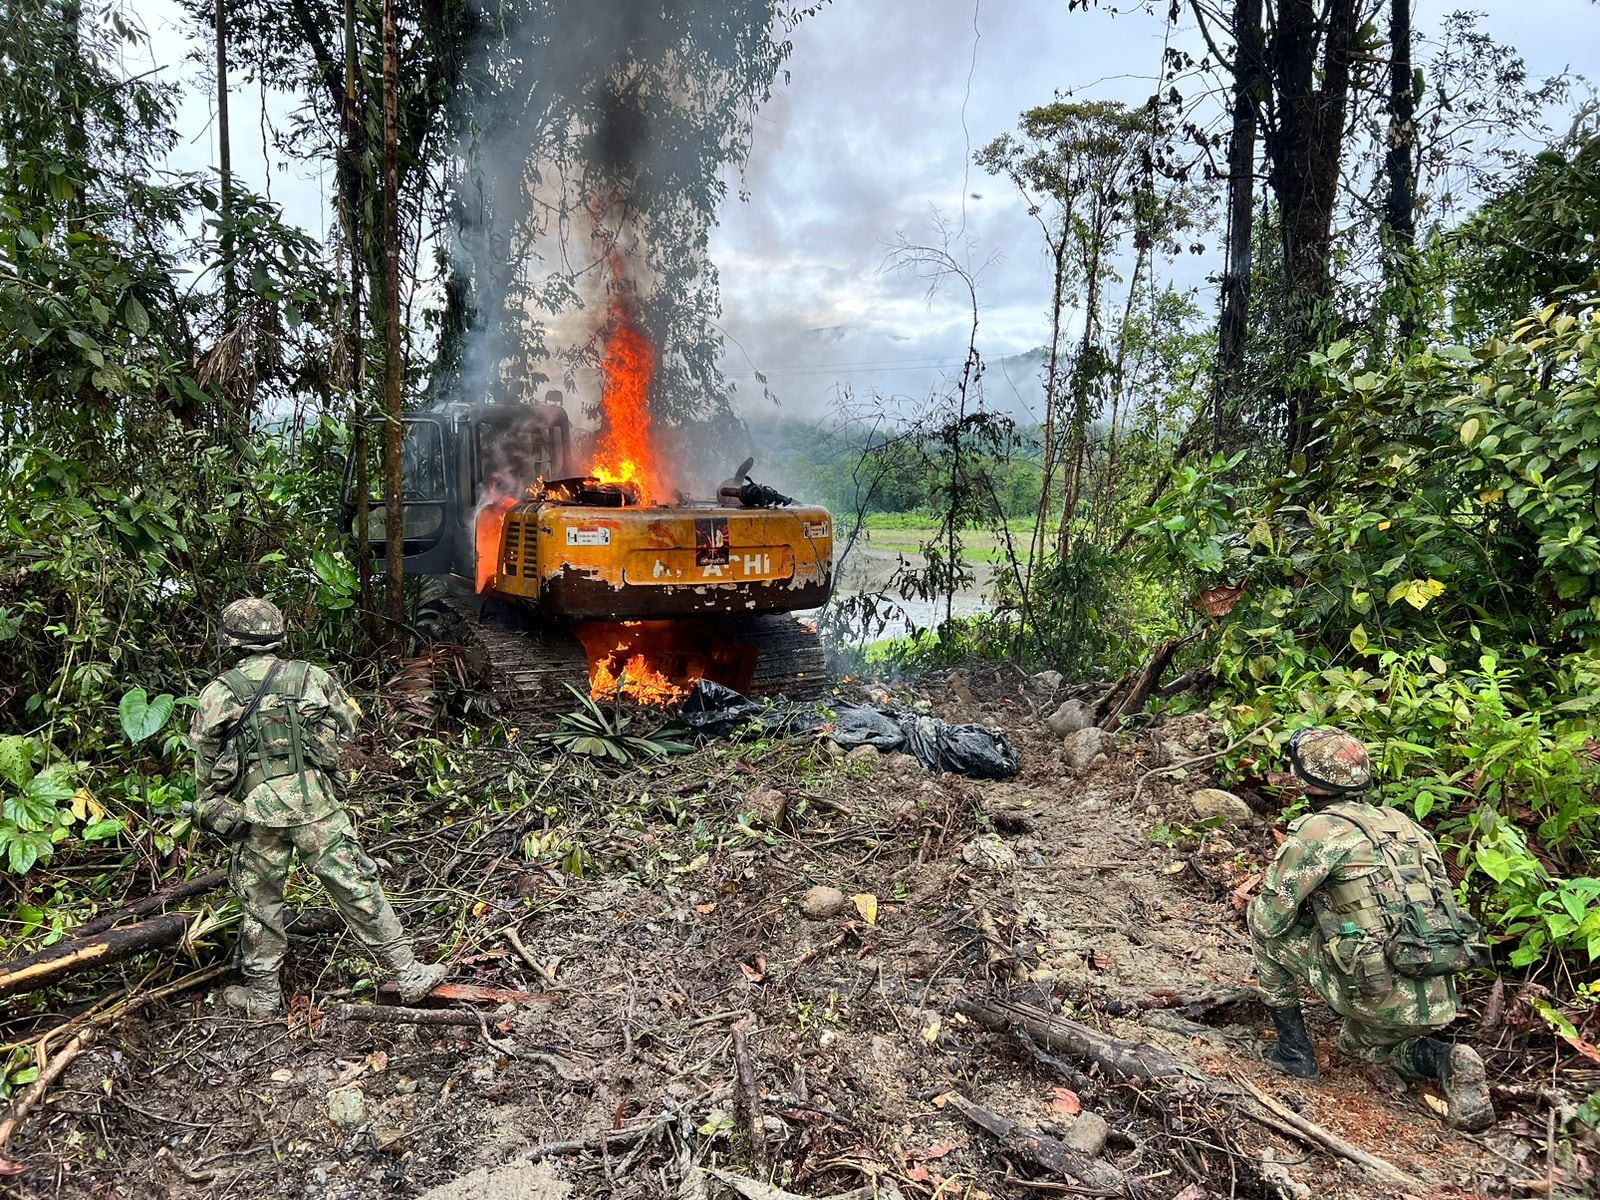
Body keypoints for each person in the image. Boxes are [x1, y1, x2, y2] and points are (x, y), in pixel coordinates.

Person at [190, 598, 448, 1016]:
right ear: (279, 635)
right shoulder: (313, 677)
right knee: (355, 883)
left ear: (231, 641)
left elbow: (205, 762)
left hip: (257, 811)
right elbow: (348, 725)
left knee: (260, 902)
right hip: (315, 803)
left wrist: (214, 804)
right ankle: (408, 971)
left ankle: (263, 995)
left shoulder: (218, 693)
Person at [1248, 727, 1495, 1132]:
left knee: (1258, 920)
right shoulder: (1406, 826)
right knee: (1358, 1044)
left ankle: (1293, 1052)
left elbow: (1269, 918)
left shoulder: (1319, 831)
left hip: (1375, 989)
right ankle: (1444, 1058)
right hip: (1436, 991)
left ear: (1305, 779)